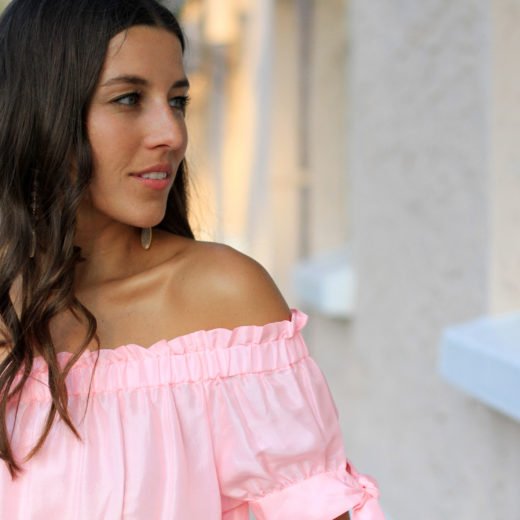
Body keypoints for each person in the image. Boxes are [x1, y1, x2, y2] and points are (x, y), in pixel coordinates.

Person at [0, 0, 384, 518]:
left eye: (178, 101)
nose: (173, 135)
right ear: (40, 108)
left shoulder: (222, 303)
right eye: (130, 98)